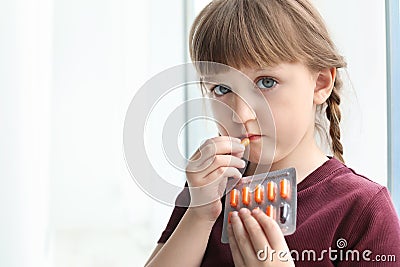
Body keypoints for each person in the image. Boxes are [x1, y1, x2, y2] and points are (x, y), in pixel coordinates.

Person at [145, 0, 400, 266]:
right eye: (222, 89)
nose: (242, 114)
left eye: (266, 82)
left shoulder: (363, 210)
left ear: (321, 82)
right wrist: (199, 213)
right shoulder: (209, 187)